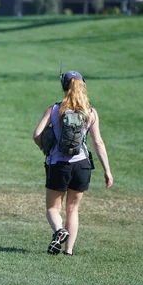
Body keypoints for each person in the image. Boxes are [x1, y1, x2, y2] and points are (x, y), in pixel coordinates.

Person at [33, 70, 113, 256]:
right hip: (82, 165)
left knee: (53, 207)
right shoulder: (91, 112)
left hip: (58, 164)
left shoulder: (54, 109)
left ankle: (59, 231)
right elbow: (98, 142)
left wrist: (46, 147)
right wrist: (107, 170)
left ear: (63, 86)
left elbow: (36, 135)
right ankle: (68, 250)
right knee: (73, 209)